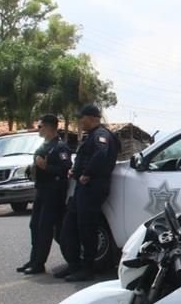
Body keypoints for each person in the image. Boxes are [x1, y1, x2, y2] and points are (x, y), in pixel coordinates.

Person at [55, 104, 119, 282]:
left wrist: (87, 174)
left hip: (93, 188)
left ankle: (88, 268)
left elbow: (101, 154)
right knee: (69, 227)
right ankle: (74, 264)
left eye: (82, 118)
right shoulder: (91, 136)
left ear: (91, 117)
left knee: (87, 228)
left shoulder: (101, 135)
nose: (80, 121)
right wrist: (75, 172)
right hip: (82, 188)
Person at [17, 114, 72, 275]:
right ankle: (34, 259)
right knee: (34, 225)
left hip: (54, 190)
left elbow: (65, 169)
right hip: (41, 189)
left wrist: (46, 167)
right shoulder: (43, 146)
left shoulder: (60, 147)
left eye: (40, 126)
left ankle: (39, 263)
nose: (38, 129)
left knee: (45, 227)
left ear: (49, 127)